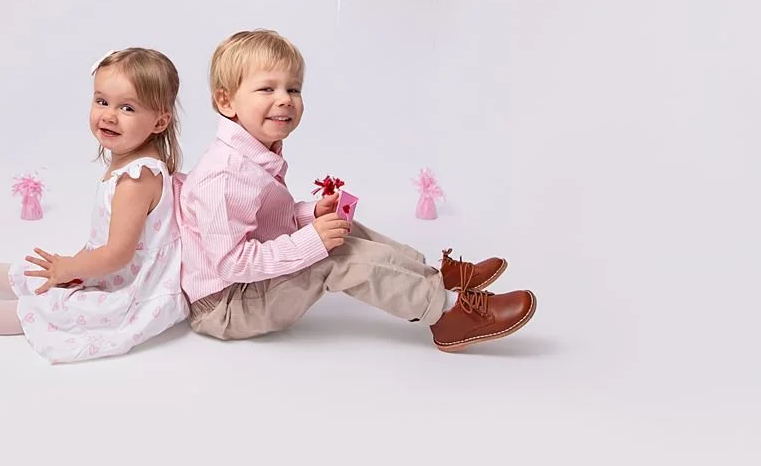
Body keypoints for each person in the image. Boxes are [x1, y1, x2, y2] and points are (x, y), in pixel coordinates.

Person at [176, 29, 537, 352]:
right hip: (228, 306)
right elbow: (232, 262)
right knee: (331, 255)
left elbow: (265, 221)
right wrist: (313, 241)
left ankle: (431, 277)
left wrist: (309, 216)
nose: (285, 99)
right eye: (267, 88)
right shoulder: (223, 176)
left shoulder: (254, 153)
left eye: (294, 89)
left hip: (247, 288)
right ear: (226, 103)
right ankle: (446, 313)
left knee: (339, 230)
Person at [0, 48, 190, 364]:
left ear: (159, 121)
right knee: (38, 274)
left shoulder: (135, 180)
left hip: (132, 293)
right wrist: (71, 266)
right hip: (113, 272)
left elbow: (118, 254)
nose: (109, 115)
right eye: (102, 101)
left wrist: (71, 267)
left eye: (127, 107)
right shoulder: (134, 163)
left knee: (43, 306)